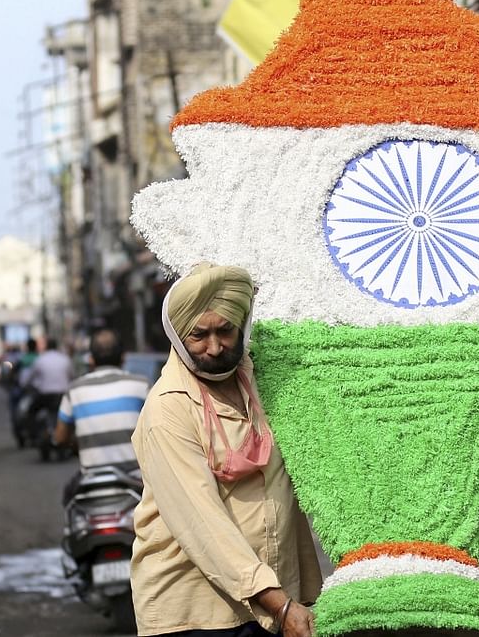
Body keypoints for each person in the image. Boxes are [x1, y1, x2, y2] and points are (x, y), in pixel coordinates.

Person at [130, 262, 321, 637]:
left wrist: (300, 593)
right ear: (177, 334)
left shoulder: (263, 384)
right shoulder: (168, 409)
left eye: (225, 331)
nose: (214, 348)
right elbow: (203, 523)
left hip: (271, 602)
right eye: (198, 335)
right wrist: (280, 605)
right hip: (194, 613)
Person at [54, 328, 150, 503]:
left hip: (91, 483)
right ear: (123, 357)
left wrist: (77, 445)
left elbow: (60, 437)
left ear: (91, 359)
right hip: (137, 485)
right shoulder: (141, 385)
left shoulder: (74, 390)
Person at [24, 337, 75, 434]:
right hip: (62, 395)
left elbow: (29, 379)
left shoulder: (40, 359)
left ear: (46, 347)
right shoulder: (65, 359)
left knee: (30, 412)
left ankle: (33, 434)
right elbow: (72, 376)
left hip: (45, 396)